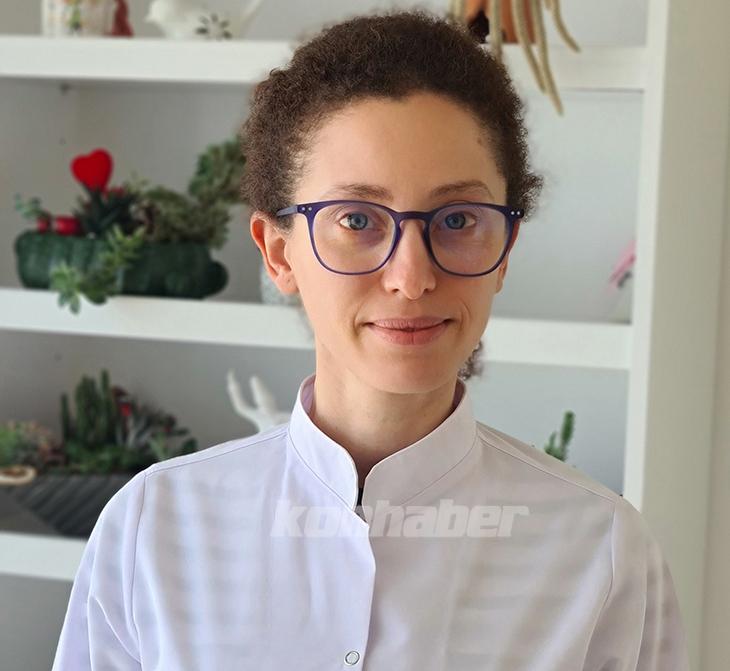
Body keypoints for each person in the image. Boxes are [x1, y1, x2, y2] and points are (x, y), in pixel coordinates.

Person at [51, 9, 690, 670]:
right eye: (357, 220)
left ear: (505, 250)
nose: (411, 277)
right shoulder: (154, 529)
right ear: (279, 254)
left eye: (458, 220)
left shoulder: (601, 551)